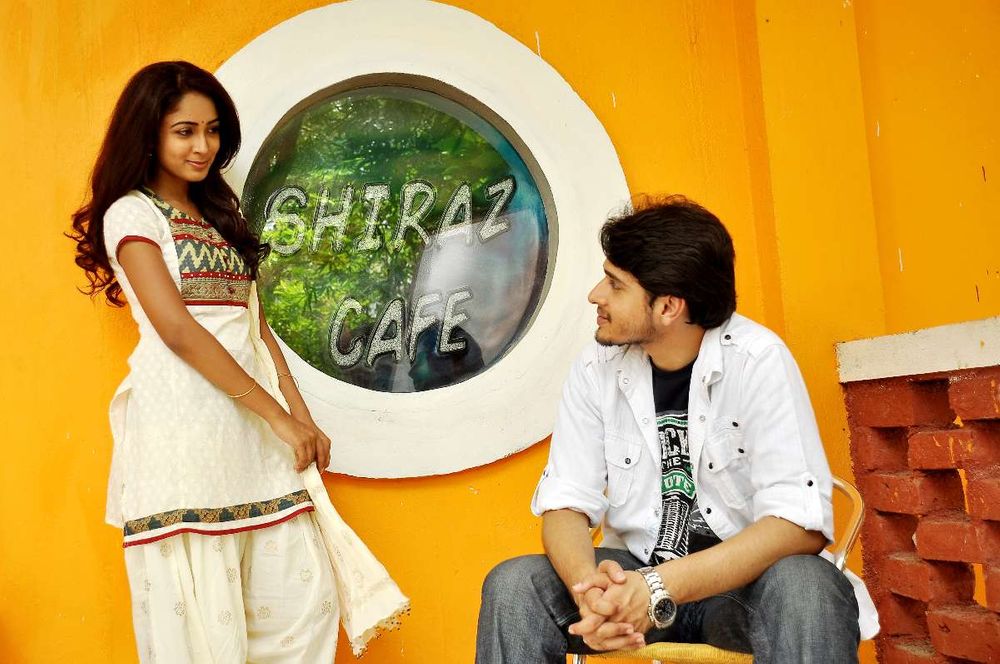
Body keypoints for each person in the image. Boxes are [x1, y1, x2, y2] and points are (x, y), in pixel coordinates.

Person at [70, 61, 407, 663]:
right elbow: (177, 328)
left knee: (304, 606)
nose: (203, 146)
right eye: (184, 131)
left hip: (254, 434)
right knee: (205, 627)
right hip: (184, 433)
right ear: (147, 134)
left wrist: (300, 418)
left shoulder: (220, 217)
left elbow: (257, 329)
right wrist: (278, 417)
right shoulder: (133, 214)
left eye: (213, 130)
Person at [476, 196, 878, 663]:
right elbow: (565, 503)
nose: (596, 295)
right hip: (633, 571)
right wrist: (590, 591)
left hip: (739, 586)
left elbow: (798, 525)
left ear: (668, 306)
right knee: (514, 586)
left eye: (615, 285)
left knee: (808, 587)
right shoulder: (595, 368)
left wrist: (657, 586)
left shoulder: (757, 360)